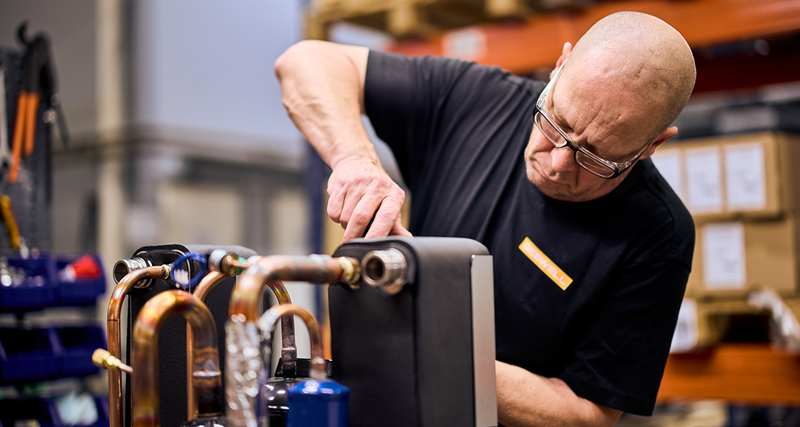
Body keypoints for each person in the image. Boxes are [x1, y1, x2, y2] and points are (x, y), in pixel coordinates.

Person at [275, 11, 696, 427]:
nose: (558, 162)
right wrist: (354, 159)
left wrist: (434, 349)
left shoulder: (658, 232)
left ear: (652, 144)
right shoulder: (474, 99)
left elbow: (586, 413)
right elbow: (303, 62)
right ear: (561, 66)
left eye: (597, 157)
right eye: (557, 123)